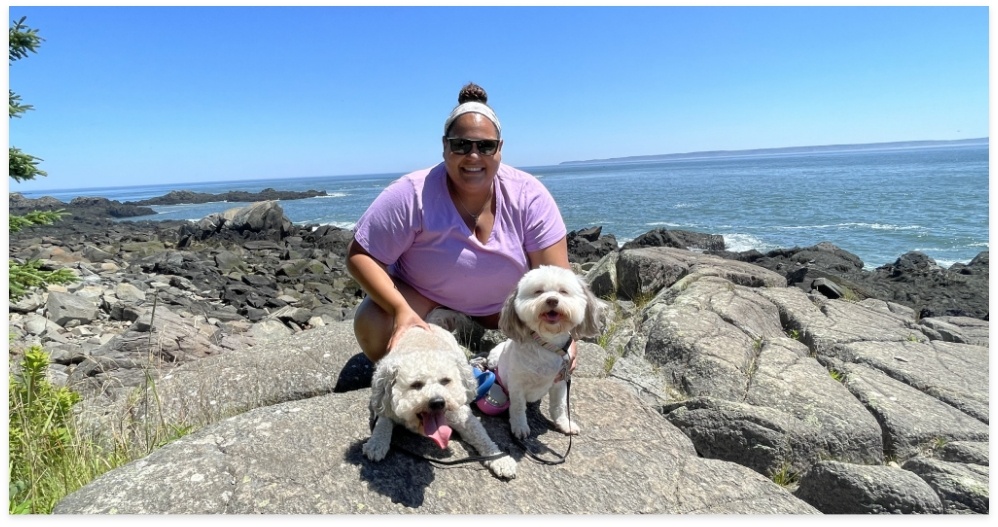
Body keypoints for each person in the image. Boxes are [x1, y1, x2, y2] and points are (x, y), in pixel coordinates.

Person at [347, 82, 578, 373]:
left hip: (505, 309)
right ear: (445, 146)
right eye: (461, 145)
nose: (473, 156)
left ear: (500, 149)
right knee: (374, 325)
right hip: (427, 299)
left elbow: (557, 274)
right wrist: (401, 310)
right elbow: (360, 254)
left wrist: (564, 336)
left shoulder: (529, 194)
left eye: (485, 146)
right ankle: (441, 329)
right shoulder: (411, 193)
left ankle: (471, 337)